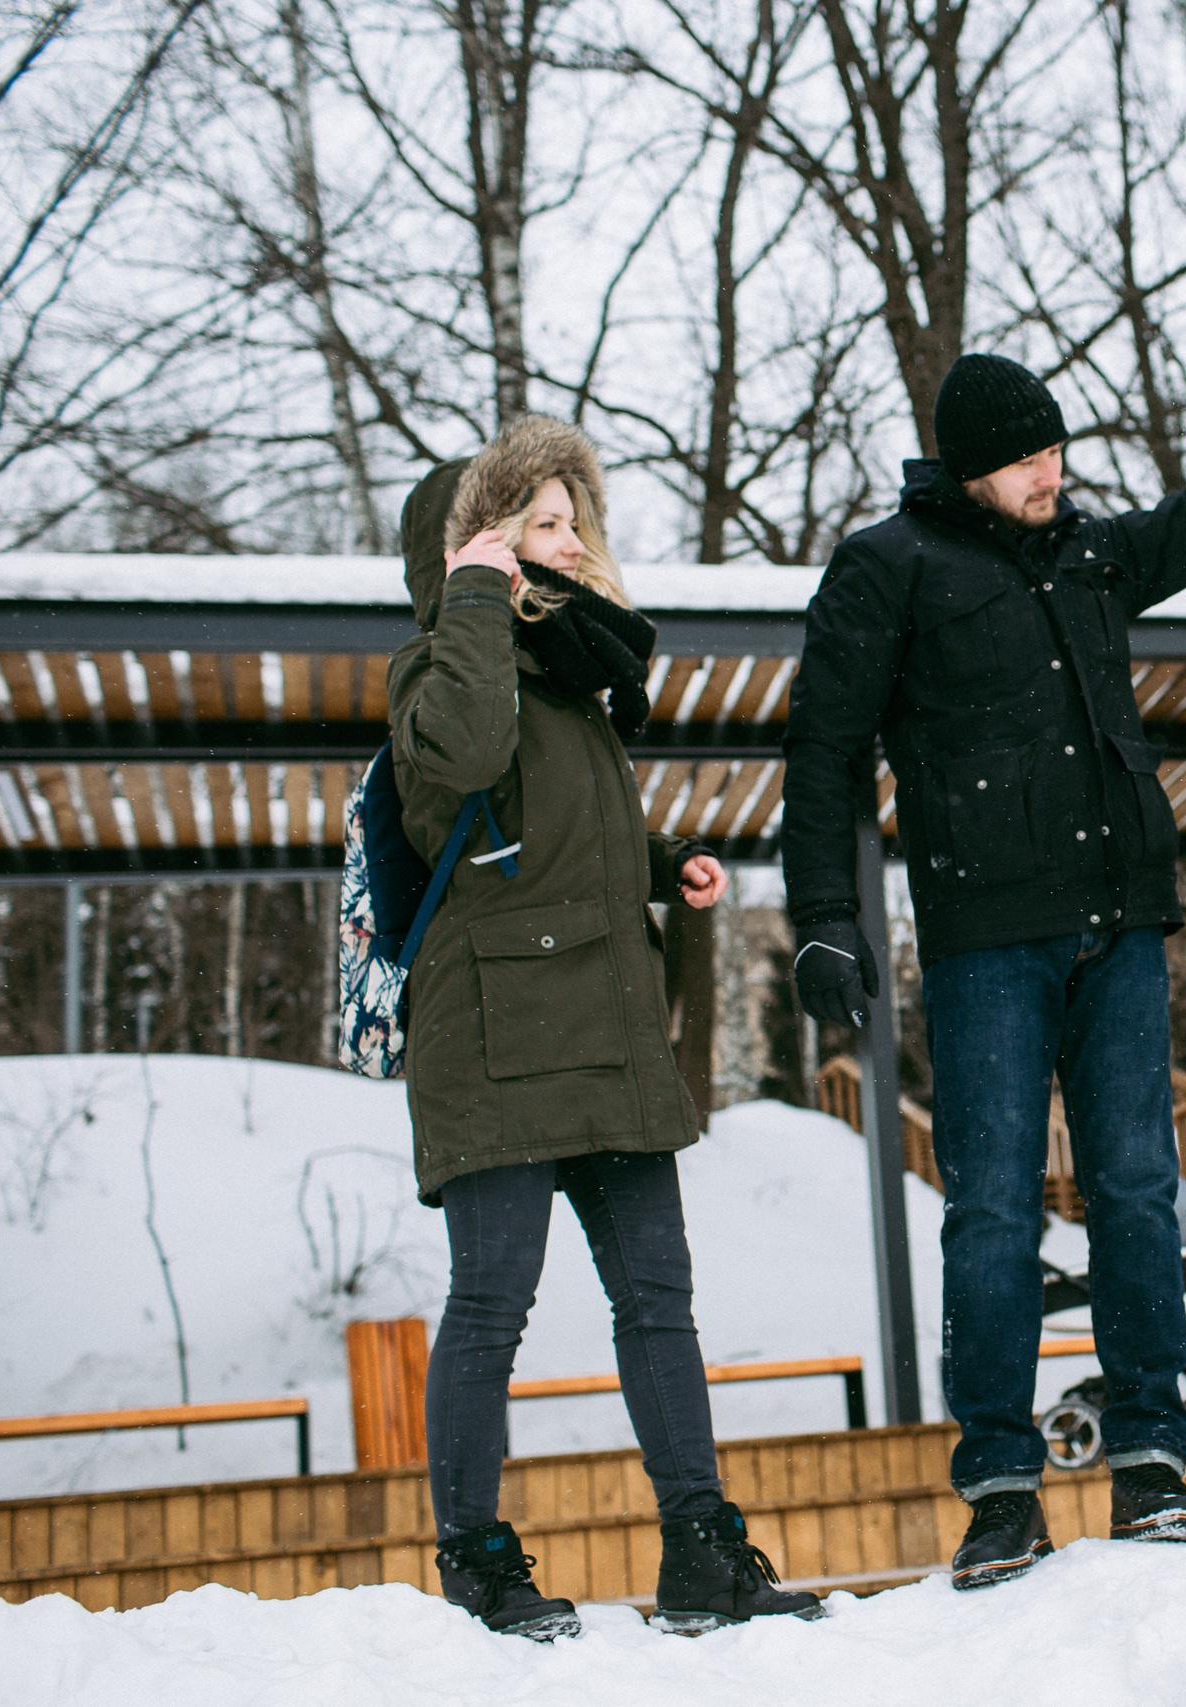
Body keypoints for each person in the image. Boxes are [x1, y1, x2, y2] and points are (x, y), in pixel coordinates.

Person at [780, 308, 1186, 1589]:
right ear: (973, 467)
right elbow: (822, 748)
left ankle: (1151, 1458)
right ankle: (997, 1484)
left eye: (1056, 451)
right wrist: (825, 918)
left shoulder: (1089, 553)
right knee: (989, 1209)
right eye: (1030, 459)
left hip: (1121, 921)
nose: (1054, 473)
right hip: (987, 938)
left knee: (1136, 1192)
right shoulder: (891, 566)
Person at [392, 414, 820, 1638]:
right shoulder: (437, 672)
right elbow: (467, 764)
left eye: (576, 521)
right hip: (492, 1033)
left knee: (658, 1297)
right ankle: (475, 1564)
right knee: (493, 1302)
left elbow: (559, 849)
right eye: (542, 522)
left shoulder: (569, 683)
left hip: (603, 1018)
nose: (571, 541)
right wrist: (472, 598)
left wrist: (666, 857)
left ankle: (702, 1551)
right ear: (475, 547)